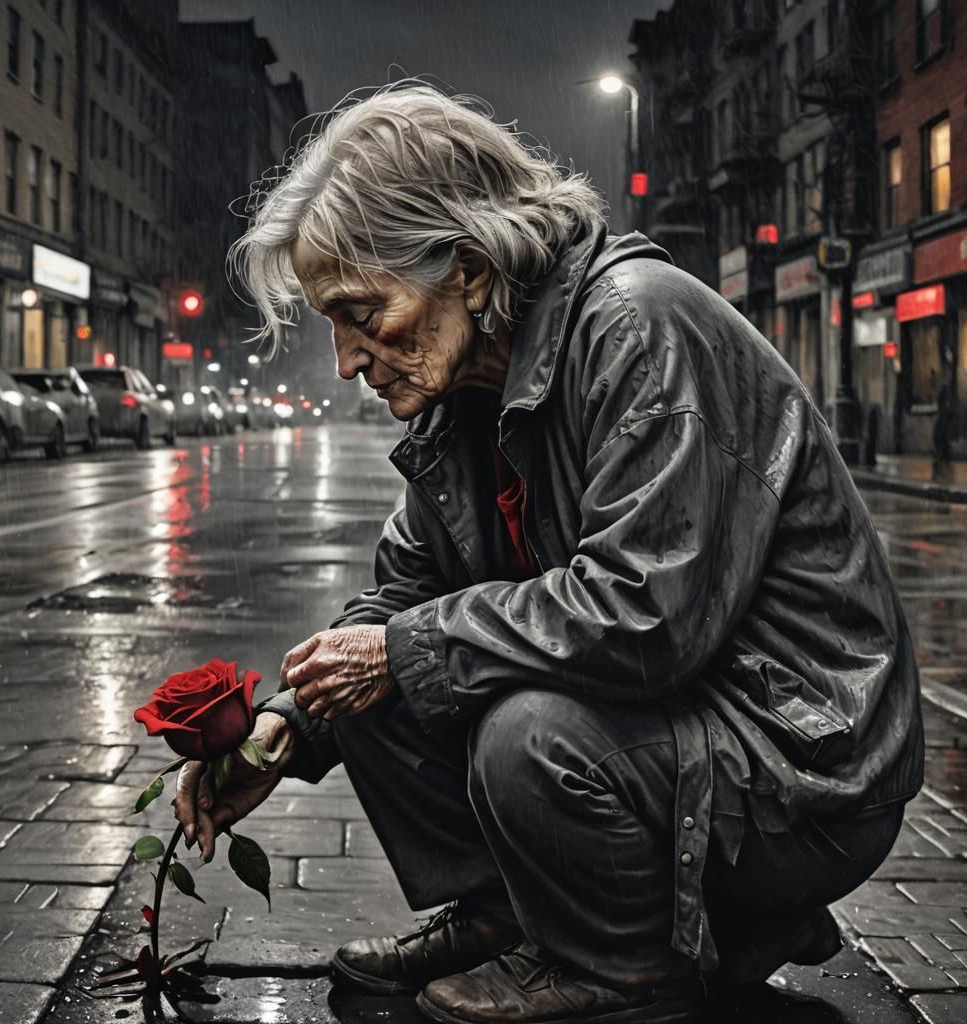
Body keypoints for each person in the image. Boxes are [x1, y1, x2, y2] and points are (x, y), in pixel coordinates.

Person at [174, 84, 923, 1024]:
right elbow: (401, 598)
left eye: (363, 313)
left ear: (469, 266)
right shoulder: (462, 393)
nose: (348, 359)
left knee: (521, 732)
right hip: (682, 724)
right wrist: (286, 727)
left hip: (802, 766)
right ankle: (513, 918)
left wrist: (404, 651)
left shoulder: (637, 325)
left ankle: (625, 963)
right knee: (362, 679)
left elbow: (647, 615)